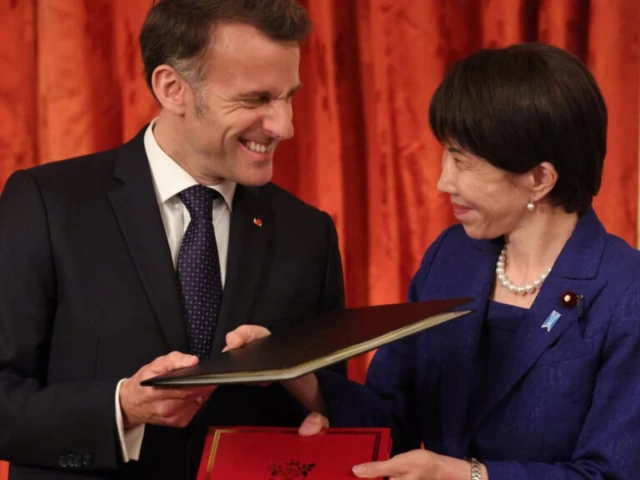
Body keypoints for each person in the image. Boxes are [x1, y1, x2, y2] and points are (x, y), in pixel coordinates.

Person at [238, 43, 640, 479]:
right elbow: (391, 419)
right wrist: (296, 375)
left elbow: (611, 473)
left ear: (539, 179)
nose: (442, 181)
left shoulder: (625, 291)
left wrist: (469, 476)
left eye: (463, 162)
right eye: (445, 154)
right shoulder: (452, 256)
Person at [0, 0, 345, 479]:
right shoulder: (47, 204)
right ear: (172, 88)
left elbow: (332, 403)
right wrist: (121, 407)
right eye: (255, 99)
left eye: (289, 96)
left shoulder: (309, 232)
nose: (284, 125)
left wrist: (315, 406)